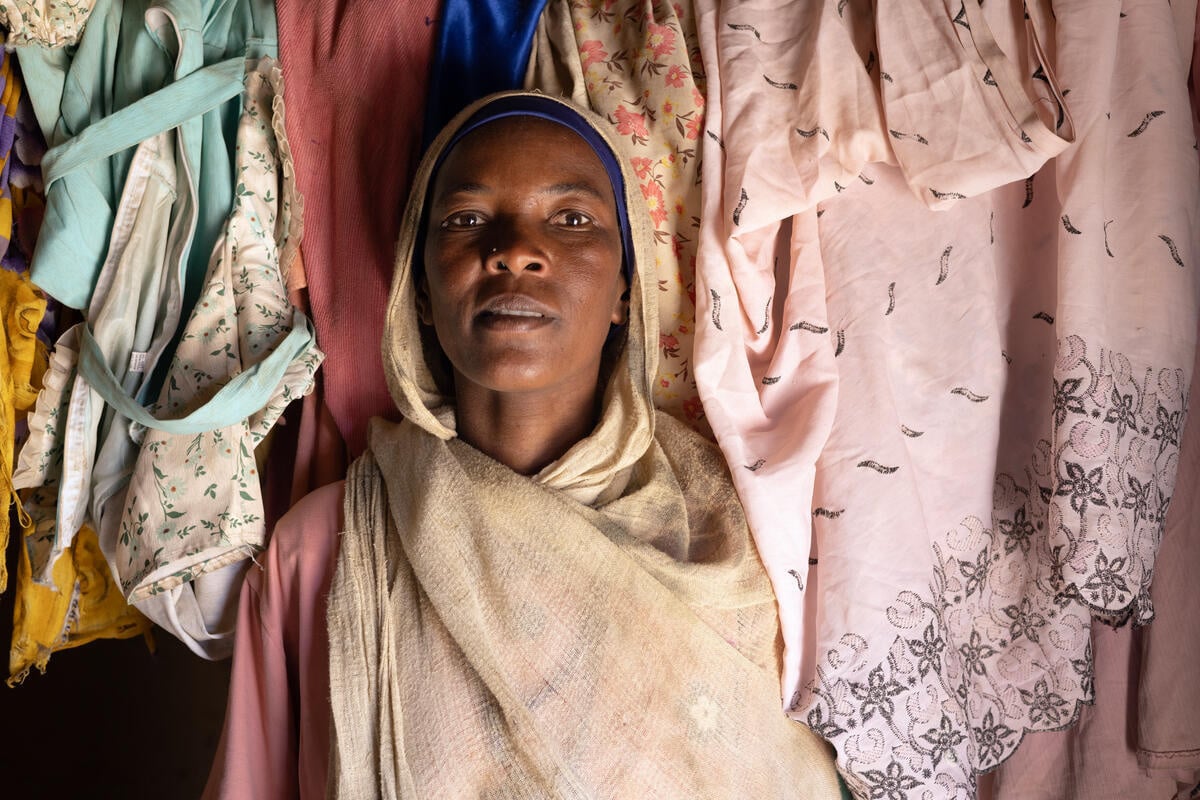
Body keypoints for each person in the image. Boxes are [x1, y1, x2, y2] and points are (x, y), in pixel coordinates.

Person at [203, 92, 844, 798]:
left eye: (571, 219)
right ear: (418, 290)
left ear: (624, 292)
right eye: (467, 220)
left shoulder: (738, 542)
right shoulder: (323, 551)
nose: (514, 251)